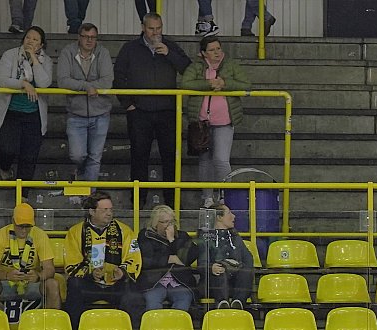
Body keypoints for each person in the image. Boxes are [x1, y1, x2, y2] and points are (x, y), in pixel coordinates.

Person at [115, 14, 190, 198]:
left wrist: (169, 54)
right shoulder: (130, 48)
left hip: (168, 111)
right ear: (143, 27)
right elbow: (118, 76)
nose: (155, 33)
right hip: (139, 111)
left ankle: (172, 201)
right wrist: (127, 104)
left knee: (170, 157)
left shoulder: (171, 46)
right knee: (139, 156)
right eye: (151, 29)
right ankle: (138, 200)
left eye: (159, 28)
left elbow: (188, 69)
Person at [181, 35, 249, 206]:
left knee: (221, 160)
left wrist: (224, 83)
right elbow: (186, 83)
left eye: (218, 48)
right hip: (201, 122)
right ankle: (208, 198)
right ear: (204, 53)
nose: (217, 52)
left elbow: (246, 84)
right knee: (205, 160)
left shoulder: (231, 65)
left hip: (224, 122)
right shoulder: (196, 66)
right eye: (212, 50)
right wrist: (209, 84)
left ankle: (225, 196)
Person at [64, 191, 142, 329]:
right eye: (104, 210)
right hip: (89, 285)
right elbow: (72, 264)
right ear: (92, 211)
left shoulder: (125, 231)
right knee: (74, 285)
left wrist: (122, 272)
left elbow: (134, 258)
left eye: (111, 209)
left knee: (133, 293)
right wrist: (91, 273)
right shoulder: (75, 232)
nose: (109, 213)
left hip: (116, 285)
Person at [0, 26, 53, 182]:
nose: (30, 41)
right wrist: (23, 84)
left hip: (33, 115)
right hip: (10, 112)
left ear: (41, 45)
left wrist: (33, 58)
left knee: (29, 157)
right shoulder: (10, 55)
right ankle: (5, 168)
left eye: (35, 39)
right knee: (7, 150)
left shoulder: (46, 60)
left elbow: (44, 83)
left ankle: (23, 193)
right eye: (28, 37)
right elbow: (3, 80)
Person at [0, 202, 62, 320]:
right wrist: (7, 275)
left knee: (53, 284)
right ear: (13, 221)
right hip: (7, 282)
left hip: (32, 282)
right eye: (20, 226)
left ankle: (52, 324)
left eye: (28, 226)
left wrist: (38, 276)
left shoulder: (40, 235)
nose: (24, 230)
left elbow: (50, 269)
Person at [59, 23, 113, 183]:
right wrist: (86, 86)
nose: (89, 40)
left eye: (93, 37)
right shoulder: (67, 52)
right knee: (77, 155)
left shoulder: (103, 53)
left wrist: (81, 85)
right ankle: (81, 172)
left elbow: (107, 81)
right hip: (76, 114)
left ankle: (90, 195)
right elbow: (63, 80)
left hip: (101, 114)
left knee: (95, 158)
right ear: (79, 37)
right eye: (86, 37)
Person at [189, 203, 254, 308]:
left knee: (246, 270)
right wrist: (211, 268)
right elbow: (202, 263)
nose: (233, 216)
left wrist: (238, 266)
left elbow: (248, 259)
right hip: (214, 283)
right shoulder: (206, 237)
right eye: (229, 213)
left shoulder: (235, 237)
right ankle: (222, 303)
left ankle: (238, 302)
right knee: (220, 270)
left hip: (235, 282)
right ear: (219, 217)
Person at [138, 205, 196, 312]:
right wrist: (168, 259)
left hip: (178, 280)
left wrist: (172, 240)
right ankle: (155, 323)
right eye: (165, 222)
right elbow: (146, 260)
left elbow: (187, 258)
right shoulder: (146, 236)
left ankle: (176, 323)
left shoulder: (182, 236)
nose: (169, 225)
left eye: (171, 222)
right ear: (155, 223)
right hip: (154, 281)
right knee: (153, 301)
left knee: (184, 299)